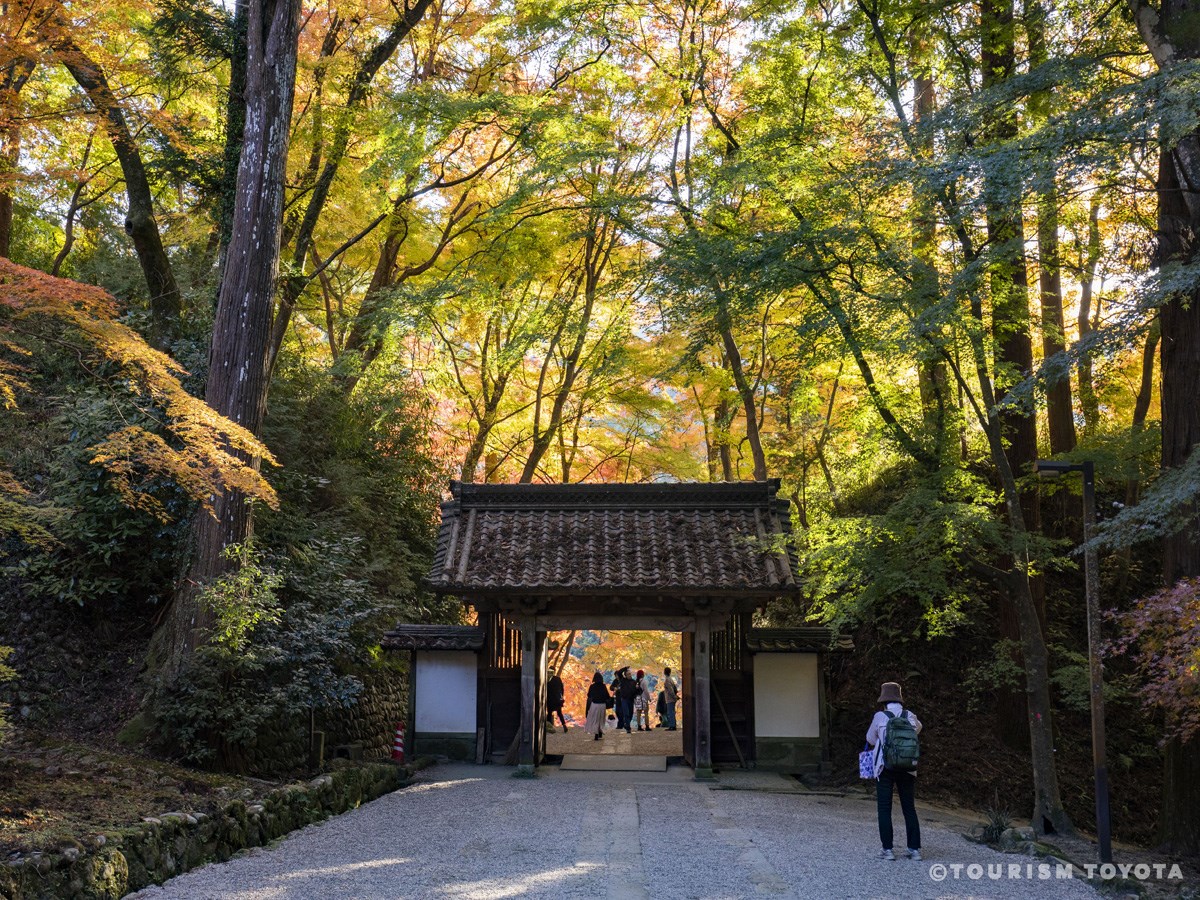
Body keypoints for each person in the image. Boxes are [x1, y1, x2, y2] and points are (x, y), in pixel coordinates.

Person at [866, 681, 922, 862]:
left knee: (884, 808)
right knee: (909, 807)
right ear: (900, 699)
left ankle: (888, 850)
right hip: (907, 767)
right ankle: (914, 849)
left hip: (885, 767)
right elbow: (918, 730)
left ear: (884, 700)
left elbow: (870, 739)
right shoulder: (910, 715)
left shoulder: (880, 716)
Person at [585, 672, 610, 741]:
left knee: (595, 719)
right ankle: (600, 732)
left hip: (595, 705)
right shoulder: (603, 686)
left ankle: (596, 734)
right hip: (602, 705)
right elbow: (607, 696)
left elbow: (589, 695)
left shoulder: (592, 686)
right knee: (601, 719)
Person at [615, 666, 638, 734]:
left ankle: (626, 724)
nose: (630, 675)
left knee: (630, 713)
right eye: (628, 674)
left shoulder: (634, 682)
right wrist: (625, 668)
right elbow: (619, 673)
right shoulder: (623, 680)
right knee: (626, 713)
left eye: (630, 674)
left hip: (631, 700)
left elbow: (637, 691)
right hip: (624, 699)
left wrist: (637, 689)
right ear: (625, 675)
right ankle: (628, 727)